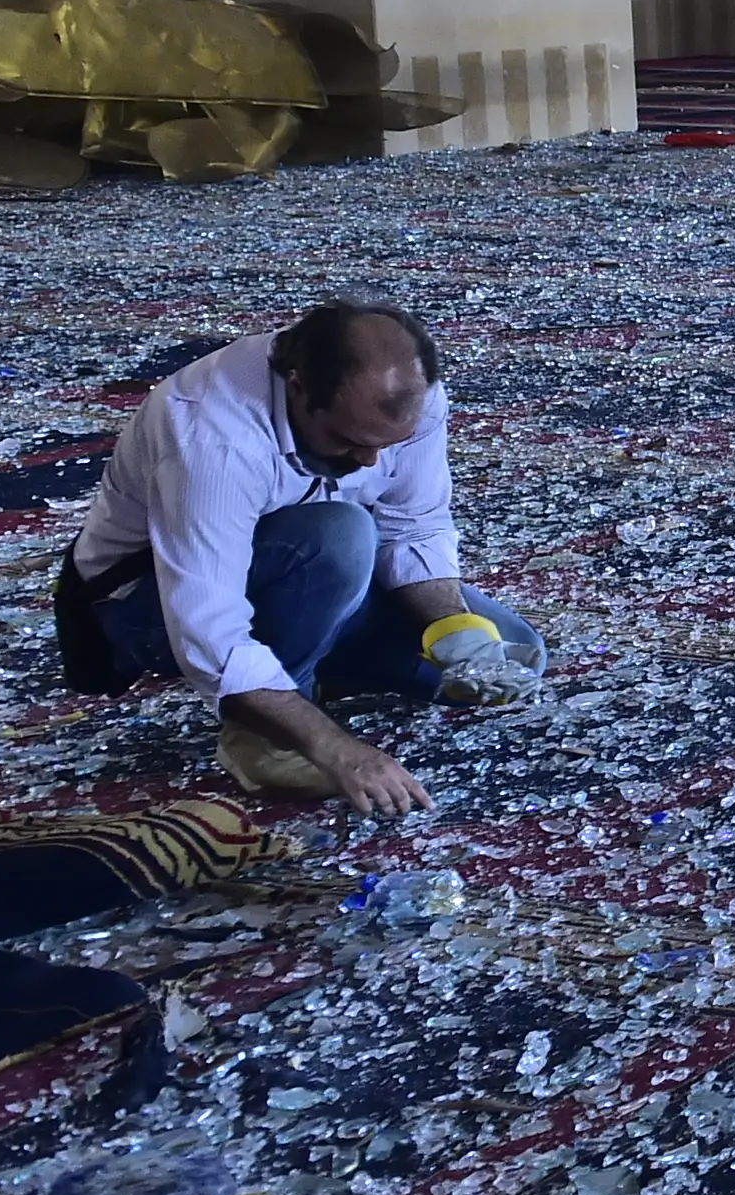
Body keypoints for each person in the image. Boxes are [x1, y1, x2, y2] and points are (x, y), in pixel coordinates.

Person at [52, 302, 541, 813]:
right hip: (145, 609)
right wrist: (336, 749)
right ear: (299, 387)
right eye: (350, 441)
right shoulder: (213, 436)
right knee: (342, 531)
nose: (370, 462)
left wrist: (453, 629)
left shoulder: (408, 401)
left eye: (386, 445)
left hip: (311, 578)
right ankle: (261, 734)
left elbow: (412, 525)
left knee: (511, 655)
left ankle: (309, 666)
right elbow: (209, 630)